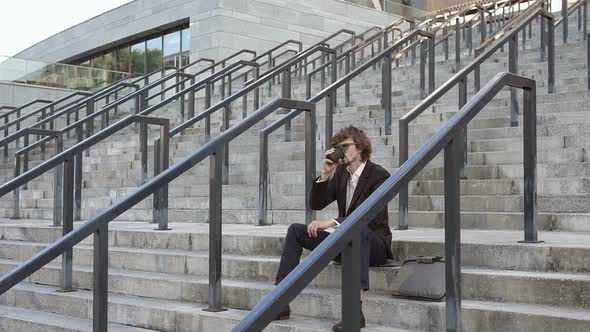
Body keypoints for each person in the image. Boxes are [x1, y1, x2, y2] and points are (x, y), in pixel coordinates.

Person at [273, 126, 393, 331]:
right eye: (336, 147)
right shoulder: (341, 175)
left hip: (374, 244)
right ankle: (280, 301)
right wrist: (325, 173)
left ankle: (355, 312)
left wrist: (333, 222)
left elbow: (369, 217)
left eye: (345, 146)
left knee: (359, 231)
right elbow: (317, 204)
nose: (340, 151)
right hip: (345, 241)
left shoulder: (379, 175)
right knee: (295, 231)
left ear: (361, 147)